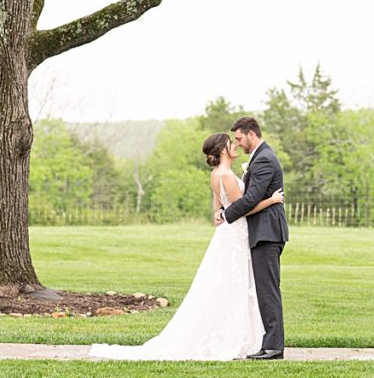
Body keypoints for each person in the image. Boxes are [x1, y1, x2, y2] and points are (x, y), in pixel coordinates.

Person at [89, 133, 284, 360]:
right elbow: (243, 208)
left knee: (228, 285)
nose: (236, 146)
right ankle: (238, 338)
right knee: (236, 285)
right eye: (232, 143)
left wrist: (219, 213)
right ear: (223, 150)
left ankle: (246, 337)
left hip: (228, 235)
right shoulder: (227, 176)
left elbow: (218, 206)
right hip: (236, 235)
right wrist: (271, 200)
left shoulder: (215, 175)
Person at [217, 115, 289, 360]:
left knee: (268, 290)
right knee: (264, 289)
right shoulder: (259, 158)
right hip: (262, 231)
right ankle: (269, 343)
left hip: (267, 233)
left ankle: (273, 347)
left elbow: (250, 199)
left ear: (251, 134)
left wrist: (226, 215)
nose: (237, 144)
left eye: (239, 138)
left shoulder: (264, 160)